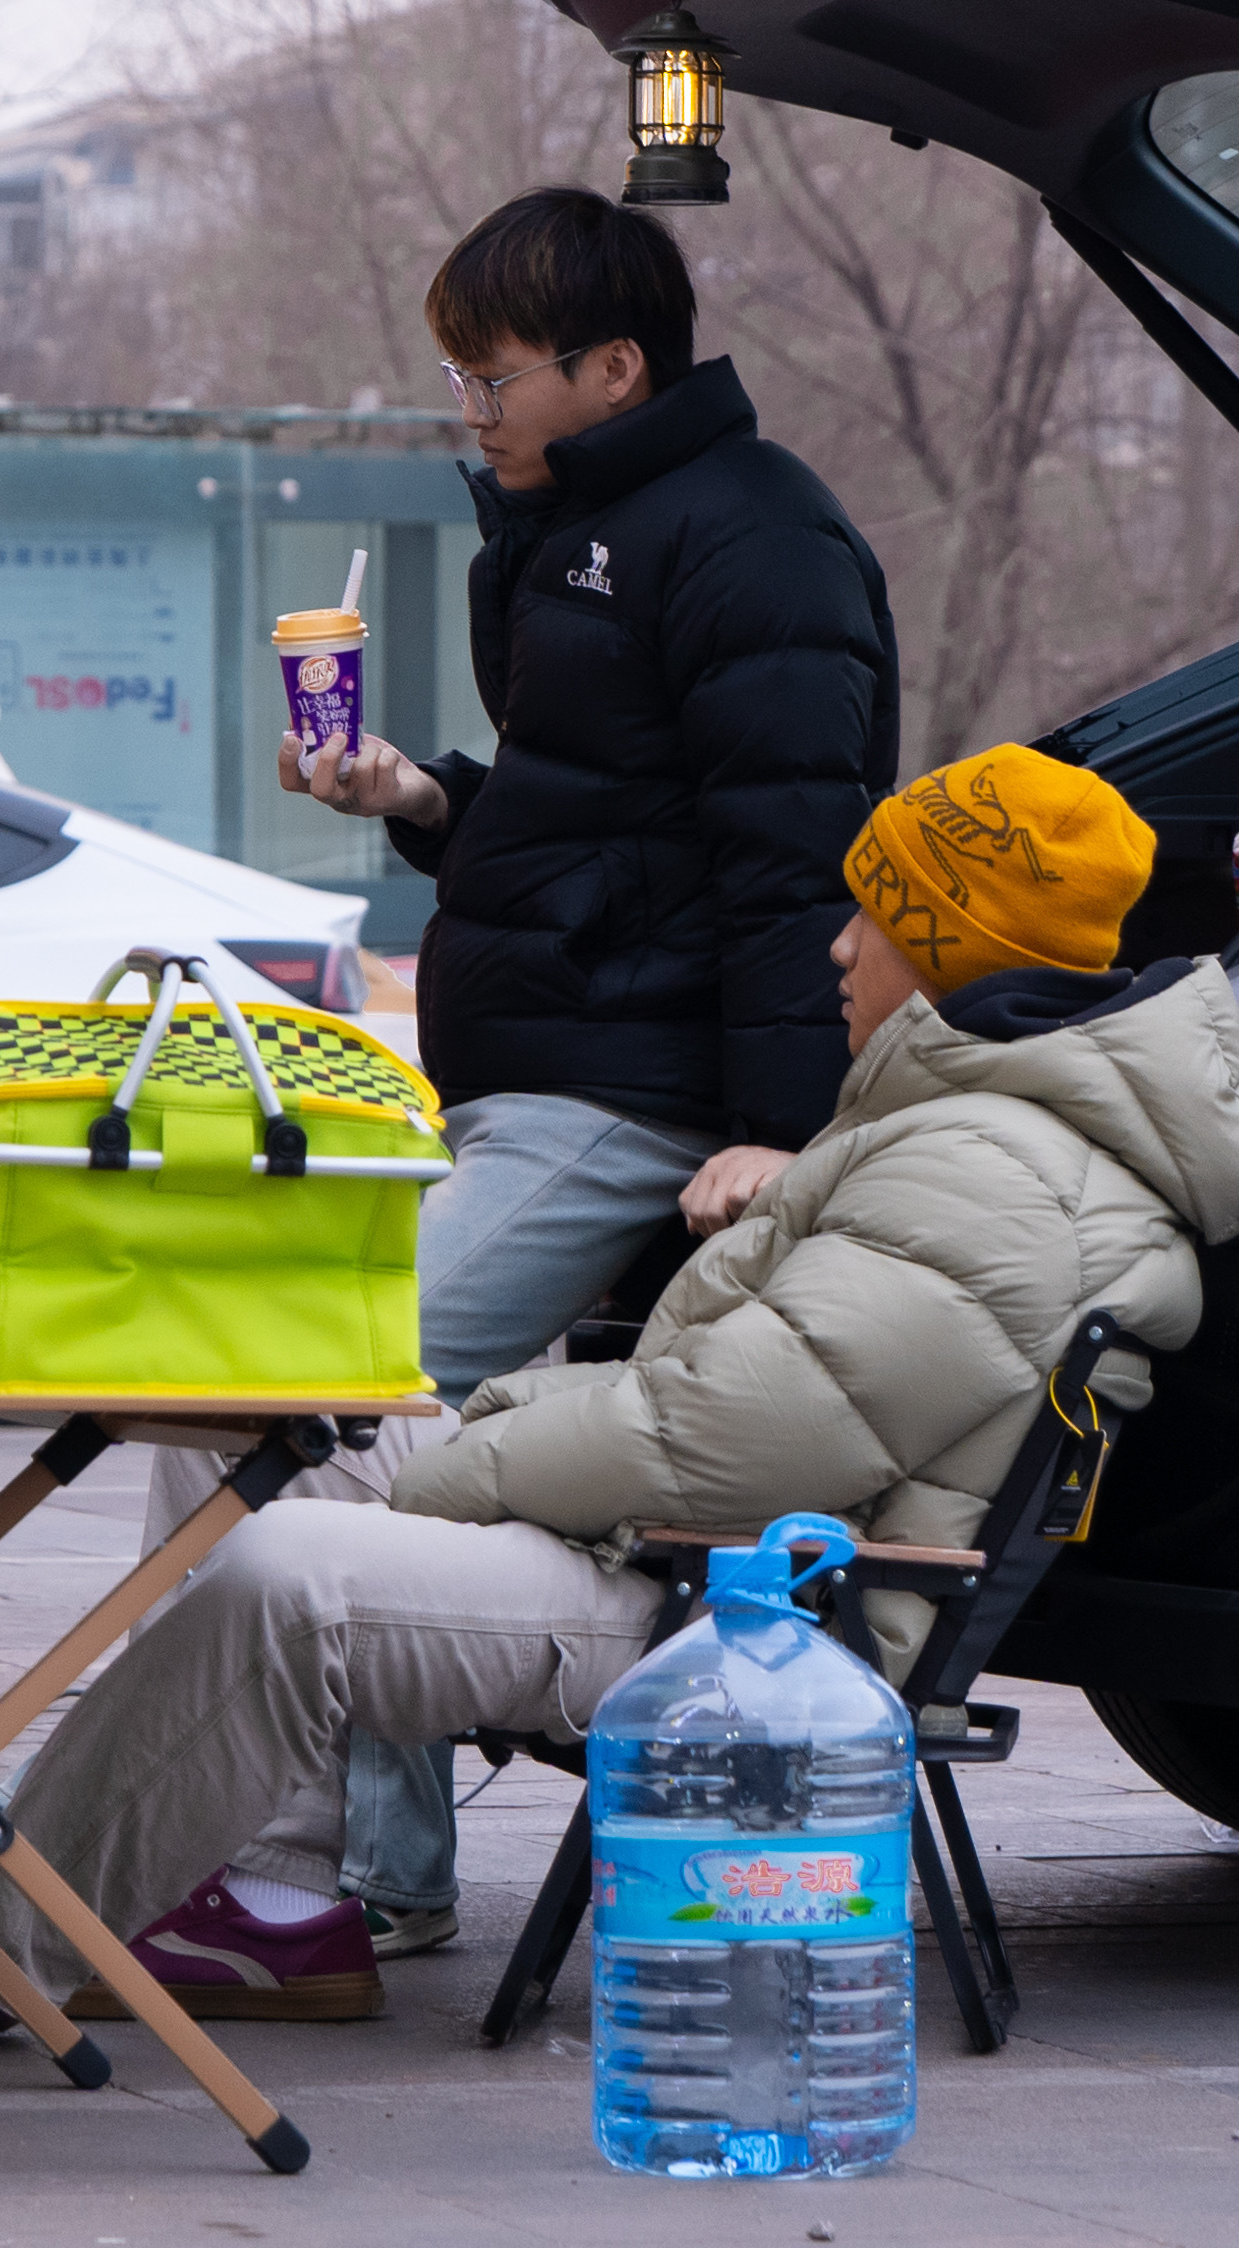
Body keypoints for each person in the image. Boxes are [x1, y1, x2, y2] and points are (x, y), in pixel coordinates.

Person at [0, 741, 1239, 2036]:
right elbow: (741, 1414)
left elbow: (722, 1439)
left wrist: (464, 1457)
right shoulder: (983, 1137)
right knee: (266, 1418)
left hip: (742, 1627)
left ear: (947, 945)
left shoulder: (997, 1171)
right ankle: (271, 1901)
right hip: (696, 1559)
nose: (839, 945)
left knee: (295, 1563)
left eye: (873, 915)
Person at [262, 185, 899, 1953]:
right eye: (457, 375)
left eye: (496, 375)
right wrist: (422, 798)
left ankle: (331, 1881)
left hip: (627, 1094)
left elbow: (792, 858)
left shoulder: (755, 536)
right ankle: (331, 1866)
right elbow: (596, 826)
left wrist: (781, 1133)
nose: (470, 408)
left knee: (313, 1380)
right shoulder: (564, 532)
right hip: (535, 1073)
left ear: (614, 368)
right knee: (300, 1396)